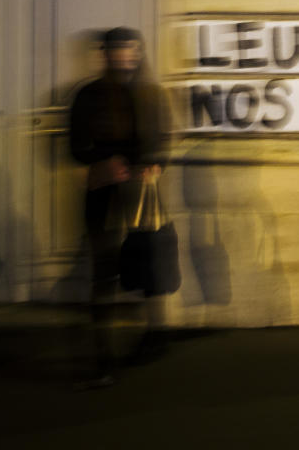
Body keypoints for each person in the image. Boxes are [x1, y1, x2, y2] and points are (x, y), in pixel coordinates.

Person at [68, 27, 172, 386]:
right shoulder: (89, 94)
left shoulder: (152, 94)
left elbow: (163, 141)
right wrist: (103, 162)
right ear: (106, 53)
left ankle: (152, 336)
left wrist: (155, 163)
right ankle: (104, 359)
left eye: (130, 49)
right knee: (105, 272)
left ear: (139, 52)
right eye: (117, 49)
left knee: (146, 264)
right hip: (104, 192)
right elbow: (76, 145)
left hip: (142, 193)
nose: (124, 56)